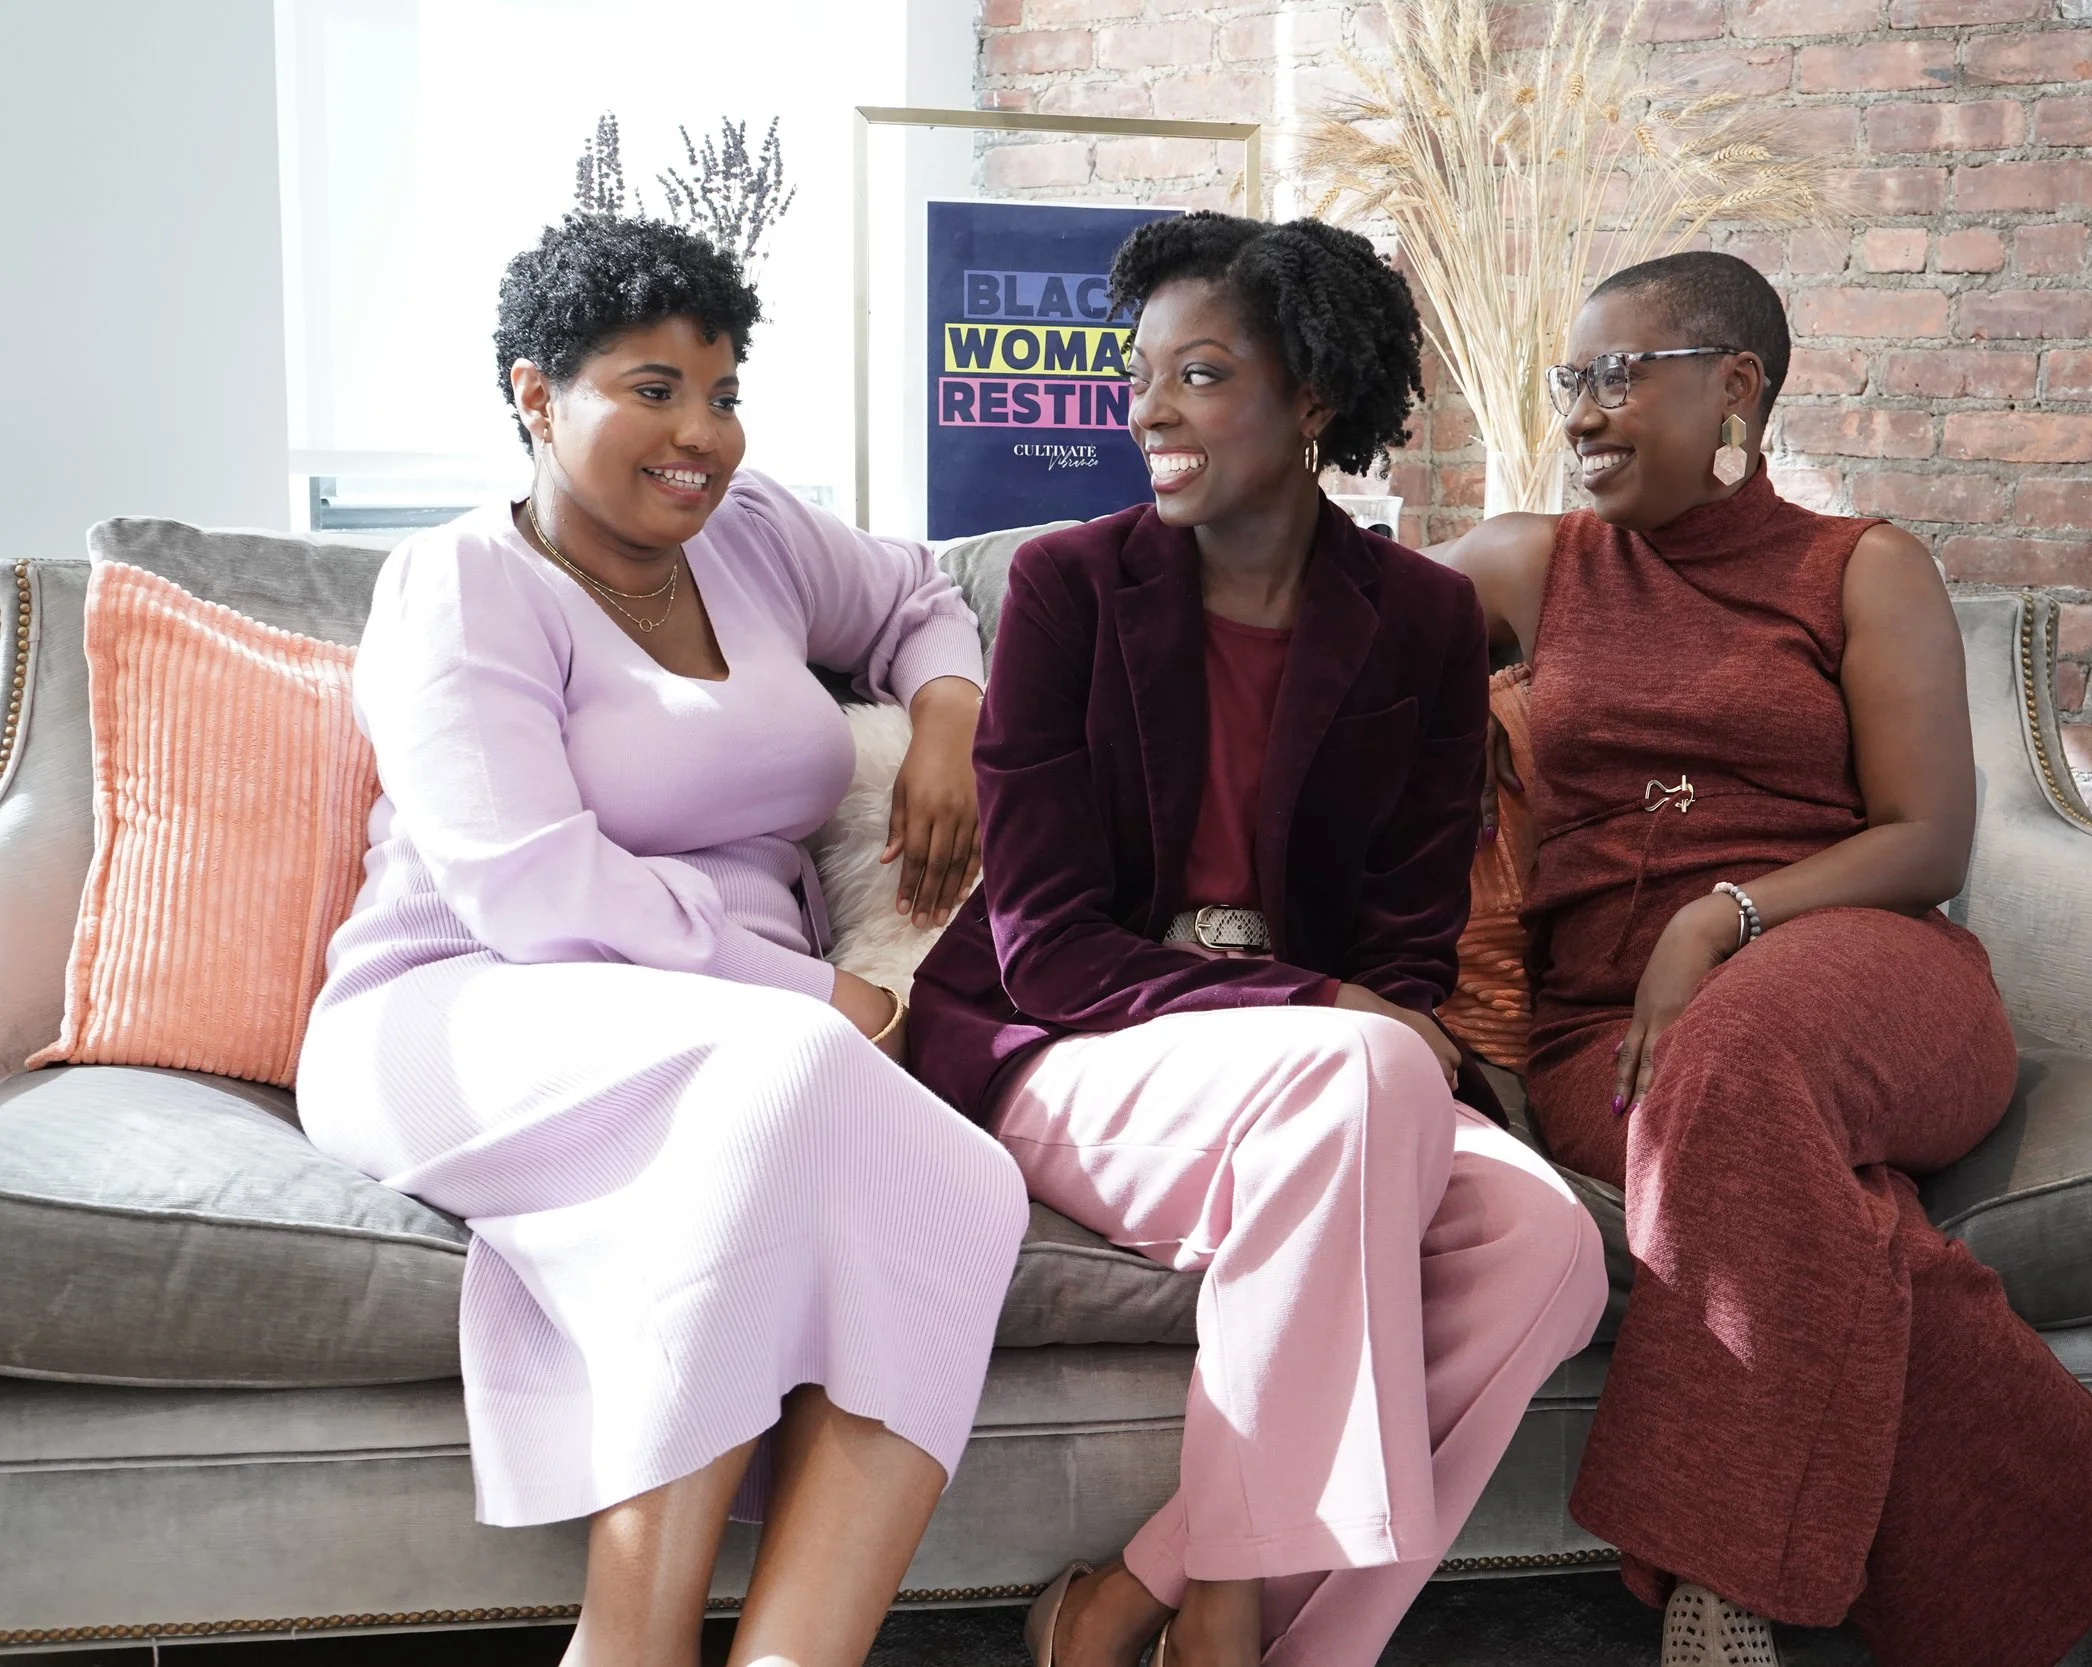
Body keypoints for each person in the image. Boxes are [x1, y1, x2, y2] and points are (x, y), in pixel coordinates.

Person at [1439, 249, 2092, 1667]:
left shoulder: (1860, 568)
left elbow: (1927, 840)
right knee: (1841, 1231)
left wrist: (1718, 915)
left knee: (1740, 1054)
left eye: (1619, 375)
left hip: (1869, 970)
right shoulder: (1530, 565)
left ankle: (1724, 1586)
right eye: (1570, 381)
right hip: (1610, 1032)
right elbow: (1315, 635)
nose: (1584, 412)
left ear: (1736, 387)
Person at [294, 215, 1029, 1667]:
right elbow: (532, 889)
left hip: (739, 1033)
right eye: (653, 389)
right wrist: (821, 992)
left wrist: (950, 718)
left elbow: (914, 595)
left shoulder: (751, 540)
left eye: (723, 392)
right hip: (463, 1002)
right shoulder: (459, 582)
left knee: (969, 1180)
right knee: (790, 1068)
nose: (703, 434)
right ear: (535, 395)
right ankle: (628, 1642)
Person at [908, 212, 1609, 1667]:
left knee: (1548, 1248)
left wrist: (1347, 1012)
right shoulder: (1065, 589)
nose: (1148, 411)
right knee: (1370, 1065)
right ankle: (1225, 1624)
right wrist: (1318, 1002)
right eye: (1139, 376)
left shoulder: (1421, 618)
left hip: (1333, 1077)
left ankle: (1156, 1600)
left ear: (1313, 399)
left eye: (1201, 374)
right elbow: (1047, 945)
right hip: (1078, 1046)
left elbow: (1411, 933)